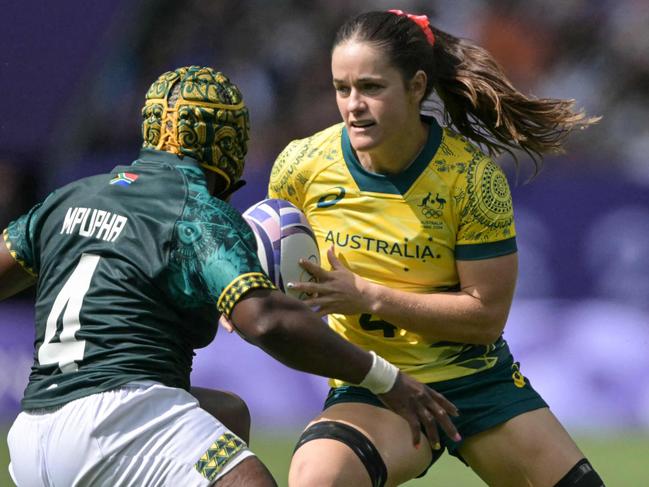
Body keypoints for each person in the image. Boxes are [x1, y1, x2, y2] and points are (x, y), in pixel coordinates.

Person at [0, 65, 461, 487]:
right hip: (123, 419)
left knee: (227, 414)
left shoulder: (69, 197)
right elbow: (266, 321)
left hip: (32, 436)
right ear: (224, 142)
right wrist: (386, 379)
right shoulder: (196, 210)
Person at [268, 10, 605, 487]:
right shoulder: (302, 164)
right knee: (317, 479)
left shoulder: (472, 179)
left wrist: (366, 295)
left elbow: (486, 318)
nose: (353, 105)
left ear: (416, 85)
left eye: (371, 87)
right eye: (342, 88)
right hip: (375, 386)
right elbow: (268, 259)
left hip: (478, 388)